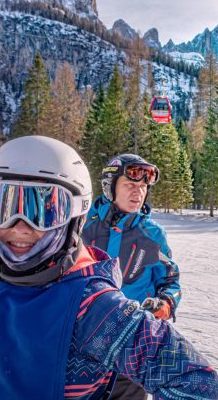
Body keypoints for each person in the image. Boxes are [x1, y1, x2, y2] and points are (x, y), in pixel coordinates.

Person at [0, 136, 218, 400]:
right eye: (2, 207)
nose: (20, 227)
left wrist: (165, 303)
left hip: (123, 344)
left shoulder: (94, 310)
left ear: (73, 218)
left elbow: (194, 379)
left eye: (44, 211)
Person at [81, 154, 181, 400]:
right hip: (84, 345)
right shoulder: (84, 227)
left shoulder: (152, 234)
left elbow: (170, 281)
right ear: (110, 187)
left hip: (132, 345)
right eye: (130, 185)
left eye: (143, 187)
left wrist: (165, 304)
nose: (138, 192)